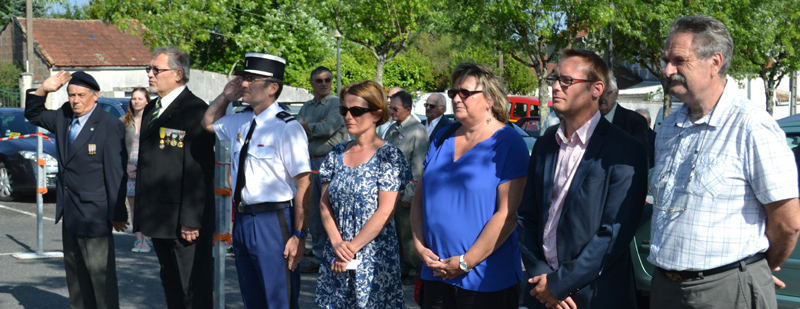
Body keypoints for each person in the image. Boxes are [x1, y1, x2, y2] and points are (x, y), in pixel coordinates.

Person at [650, 14, 800, 309]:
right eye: (666, 59)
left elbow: (787, 223)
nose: (668, 70)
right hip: (665, 287)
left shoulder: (751, 126)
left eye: (679, 60)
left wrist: (755, 267)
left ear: (714, 63)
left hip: (725, 291)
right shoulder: (668, 127)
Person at [517, 49, 648, 309]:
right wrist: (543, 279)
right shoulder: (545, 144)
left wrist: (559, 284)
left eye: (566, 81)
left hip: (594, 296)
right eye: (555, 79)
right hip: (540, 292)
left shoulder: (624, 150)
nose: (555, 86)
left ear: (596, 89)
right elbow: (527, 217)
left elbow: (612, 235)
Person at [411, 63, 529, 308]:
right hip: (435, 272)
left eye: (465, 92)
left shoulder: (508, 142)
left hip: (485, 280)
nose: (456, 98)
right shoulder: (443, 136)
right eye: (453, 93)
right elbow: (420, 198)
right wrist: (420, 247)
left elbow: (508, 215)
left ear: (490, 99)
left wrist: (466, 262)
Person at [202, 52, 312, 308]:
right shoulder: (241, 119)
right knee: (252, 297)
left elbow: (304, 184)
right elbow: (208, 123)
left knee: (278, 299)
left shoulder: (287, 127)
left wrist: (299, 235)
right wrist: (225, 97)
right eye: (243, 78)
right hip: (242, 219)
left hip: (273, 221)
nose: (244, 84)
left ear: (273, 87)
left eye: (251, 79)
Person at [25, 71, 128, 309]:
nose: (75, 100)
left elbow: (115, 172)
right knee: (76, 278)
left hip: (95, 214)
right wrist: (44, 89)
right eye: (71, 95)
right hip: (70, 210)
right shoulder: (64, 116)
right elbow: (33, 113)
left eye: (81, 95)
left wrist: (117, 212)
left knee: (100, 279)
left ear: (95, 96)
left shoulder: (109, 125)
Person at [315, 80, 409, 308]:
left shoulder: (389, 156)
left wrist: (351, 248)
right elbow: (324, 204)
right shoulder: (336, 153)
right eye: (344, 110)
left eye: (356, 111)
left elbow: (386, 211)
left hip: (373, 256)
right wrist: (338, 244)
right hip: (337, 253)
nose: (348, 116)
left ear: (377, 114)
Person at [135, 47, 216, 308]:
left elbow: (198, 169)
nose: (150, 74)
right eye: (149, 69)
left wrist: (191, 220)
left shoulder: (195, 110)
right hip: (159, 216)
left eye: (156, 70)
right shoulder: (152, 108)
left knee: (193, 288)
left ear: (178, 74)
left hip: (185, 221)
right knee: (171, 284)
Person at [297, 66, 349, 274]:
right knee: (316, 213)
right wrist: (314, 127)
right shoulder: (307, 105)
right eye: (319, 80)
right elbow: (296, 131)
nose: (324, 83)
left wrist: (307, 126)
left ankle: (336, 254)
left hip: (332, 161)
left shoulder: (336, 103)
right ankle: (319, 257)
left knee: (333, 211)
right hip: (310, 163)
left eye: (327, 79)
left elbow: (326, 130)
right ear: (312, 83)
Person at [385, 90, 428, 284]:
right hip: (390, 191)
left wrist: (410, 195)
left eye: (395, 109)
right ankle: (402, 267)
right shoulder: (392, 128)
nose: (391, 112)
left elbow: (418, 167)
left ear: (408, 110)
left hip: (405, 193)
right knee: (396, 233)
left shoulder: (417, 131)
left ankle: (414, 269)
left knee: (407, 233)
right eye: (390, 108)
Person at [122, 87, 152, 253]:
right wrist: (127, 167)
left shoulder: (153, 121)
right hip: (129, 168)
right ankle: (138, 239)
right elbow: (119, 148)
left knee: (146, 206)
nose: (136, 101)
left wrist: (138, 166)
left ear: (147, 101)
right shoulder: (124, 121)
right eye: (134, 98)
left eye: (140, 98)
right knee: (133, 207)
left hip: (146, 169)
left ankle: (147, 239)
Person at [600, 75, 649, 156]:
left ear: (616, 93)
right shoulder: (587, 120)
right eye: (599, 94)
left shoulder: (635, 121)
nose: (601, 98)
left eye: (606, 93)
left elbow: (640, 157)